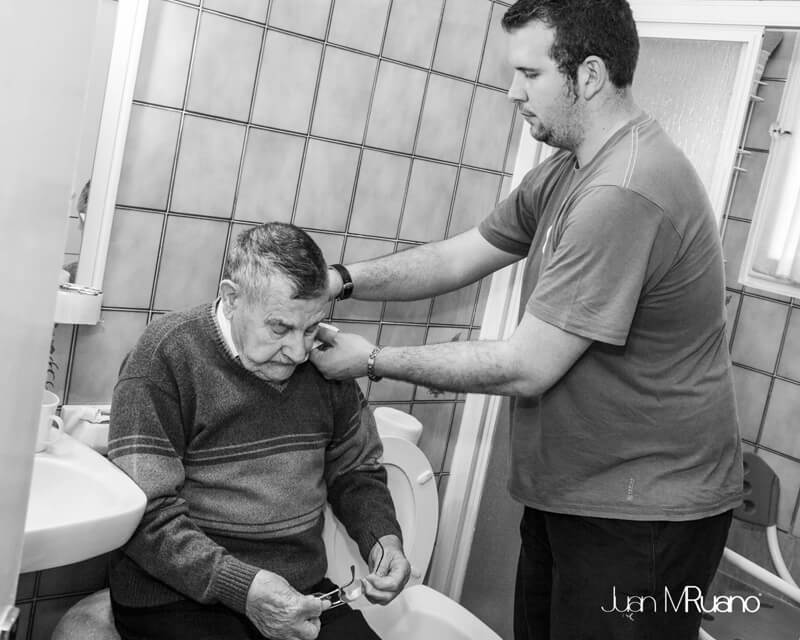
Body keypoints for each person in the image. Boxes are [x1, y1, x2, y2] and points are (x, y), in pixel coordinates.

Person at [310, 1, 743, 638]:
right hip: (576, 492)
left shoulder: (623, 190)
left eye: (530, 74)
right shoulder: (570, 168)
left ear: (589, 75)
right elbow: (459, 256)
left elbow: (524, 366)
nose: (513, 91)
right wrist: (340, 280)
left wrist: (371, 360)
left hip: (645, 513)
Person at [97, 222, 409, 640]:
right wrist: (242, 586)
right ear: (232, 299)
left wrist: (383, 539)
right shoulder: (165, 356)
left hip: (298, 585)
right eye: (280, 328)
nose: (298, 352)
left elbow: (355, 472)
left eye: (311, 328)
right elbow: (145, 512)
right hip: (174, 593)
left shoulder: (327, 363)